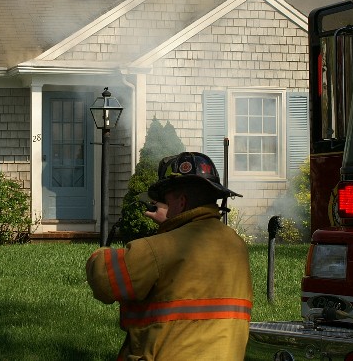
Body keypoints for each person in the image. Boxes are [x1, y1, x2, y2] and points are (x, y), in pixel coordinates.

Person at [86, 152, 253, 361]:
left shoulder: (160, 249)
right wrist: (170, 224)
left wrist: (100, 253)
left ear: (181, 202)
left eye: (165, 200)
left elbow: (104, 281)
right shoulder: (237, 246)